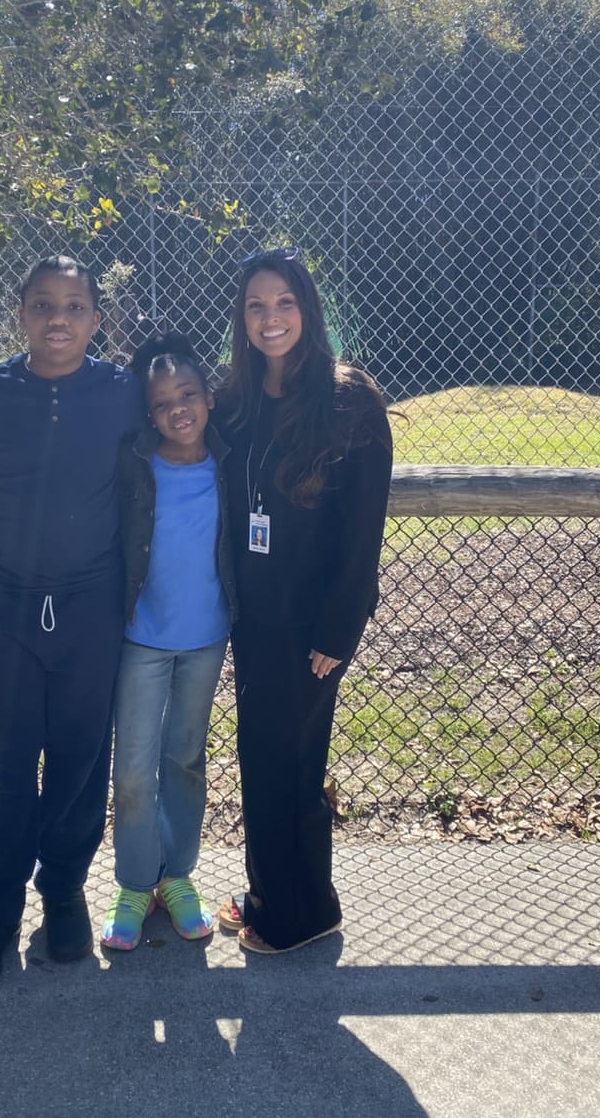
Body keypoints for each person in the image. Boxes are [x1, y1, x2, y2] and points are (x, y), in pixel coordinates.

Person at [0, 254, 143, 990]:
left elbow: (190, 427)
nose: (60, 318)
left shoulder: (123, 392)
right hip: (3, 602)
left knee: (82, 757)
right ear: (19, 313)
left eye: (76, 305)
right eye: (43, 304)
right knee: (3, 764)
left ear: (96, 317)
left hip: (91, 604)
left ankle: (62, 894)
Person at [214, 246, 393, 954]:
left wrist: (339, 628)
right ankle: (285, 892)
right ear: (242, 318)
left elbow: (363, 535)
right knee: (266, 756)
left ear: (308, 310)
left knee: (288, 761)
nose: (271, 318)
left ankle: (292, 917)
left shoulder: (351, 402)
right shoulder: (238, 400)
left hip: (314, 624)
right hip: (252, 615)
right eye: (256, 305)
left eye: (284, 303)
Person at [101, 332, 237, 951]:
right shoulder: (132, 461)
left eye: (188, 394)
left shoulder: (233, 462)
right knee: (132, 769)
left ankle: (176, 877)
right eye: (162, 403)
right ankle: (135, 882)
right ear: (148, 413)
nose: (178, 408)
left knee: (183, 759)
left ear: (208, 398)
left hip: (207, 639)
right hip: (141, 638)